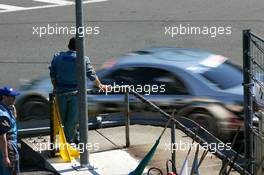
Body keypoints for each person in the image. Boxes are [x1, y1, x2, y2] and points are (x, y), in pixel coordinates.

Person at [49, 37, 108, 143]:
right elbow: (92, 76)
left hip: (60, 93)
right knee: (72, 120)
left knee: (61, 119)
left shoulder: (57, 57)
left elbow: (52, 76)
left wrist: (55, 88)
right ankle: (69, 142)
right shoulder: (83, 59)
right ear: (80, 48)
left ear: (68, 46)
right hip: (75, 94)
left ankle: (67, 139)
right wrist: (101, 86)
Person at [0, 86, 20, 175]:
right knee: (11, 171)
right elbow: (2, 137)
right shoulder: (3, 114)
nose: (14, 98)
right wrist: (6, 157)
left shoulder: (6, 109)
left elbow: (11, 124)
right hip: (9, 146)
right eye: (11, 96)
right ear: (4, 97)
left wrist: (13, 111)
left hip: (10, 144)